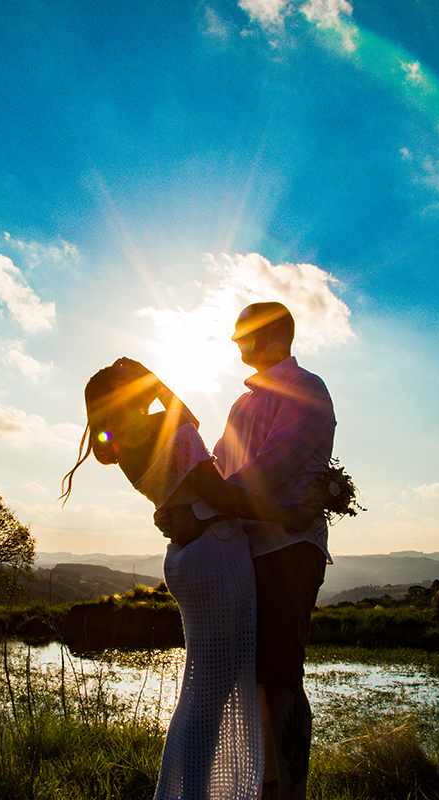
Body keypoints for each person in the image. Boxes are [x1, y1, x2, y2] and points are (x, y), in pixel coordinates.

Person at [61, 357, 315, 800]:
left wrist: (152, 382)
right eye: (138, 385)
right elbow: (217, 490)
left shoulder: (124, 443)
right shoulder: (167, 431)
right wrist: (285, 514)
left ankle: (187, 789)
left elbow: (189, 422)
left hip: (185, 559)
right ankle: (194, 791)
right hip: (214, 555)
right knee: (210, 694)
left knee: (200, 688)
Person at [155, 302, 335, 800]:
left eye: (243, 334)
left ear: (271, 334)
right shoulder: (241, 405)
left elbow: (269, 467)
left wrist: (206, 509)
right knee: (252, 676)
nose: (235, 343)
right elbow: (217, 470)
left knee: (279, 675)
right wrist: (181, 499)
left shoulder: (306, 390)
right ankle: (267, 787)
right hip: (242, 552)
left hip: (287, 546)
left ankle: (291, 793)